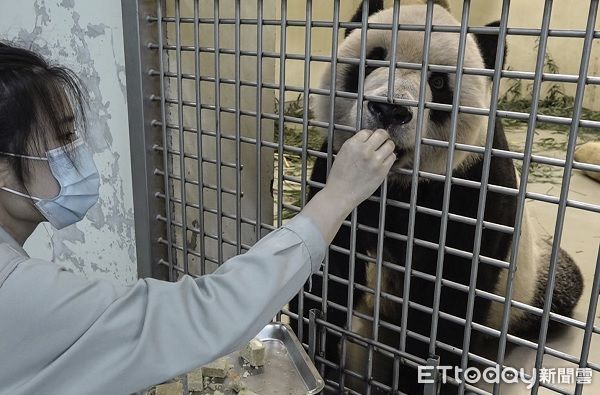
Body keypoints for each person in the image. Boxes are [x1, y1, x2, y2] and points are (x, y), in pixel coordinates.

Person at [0, 42, 396, 394]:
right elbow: (203, 315)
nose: (79, 154)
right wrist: (339, 194)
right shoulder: (17, 292)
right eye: (65, 137)